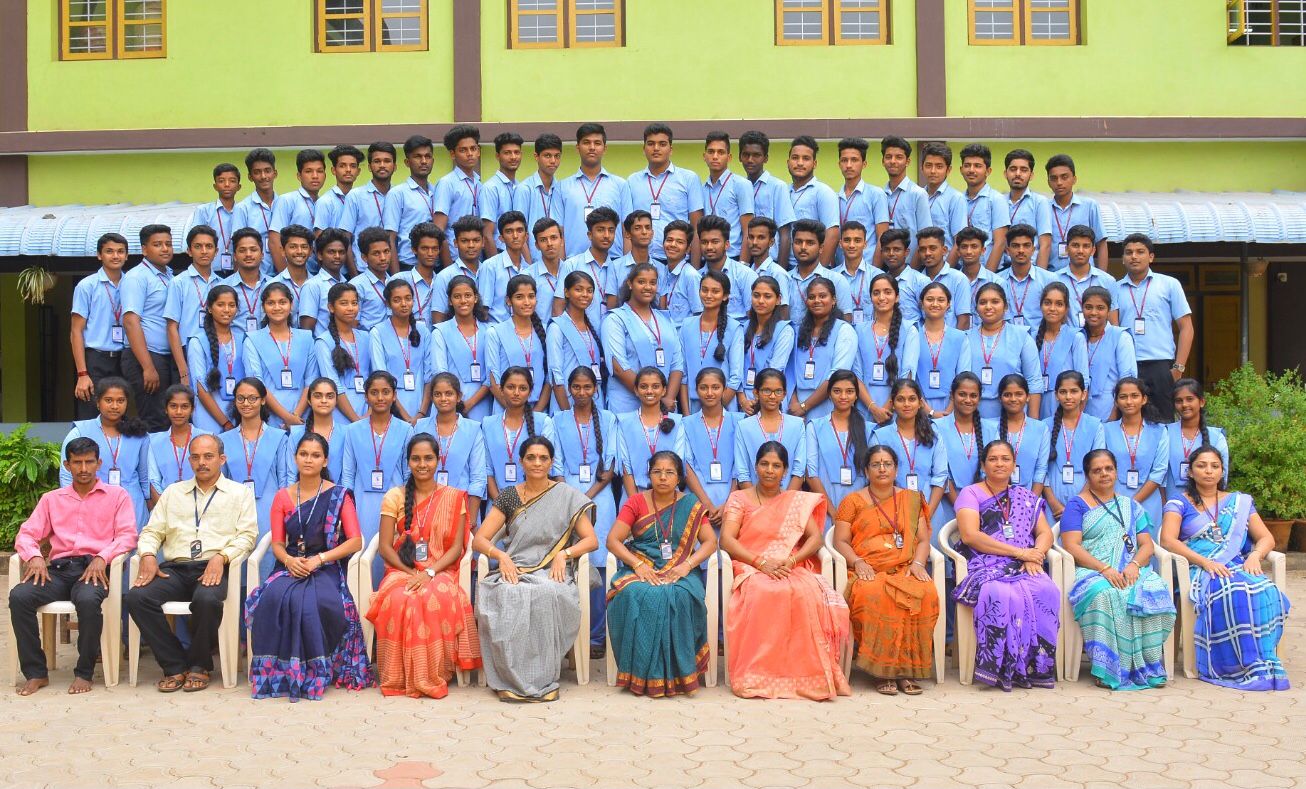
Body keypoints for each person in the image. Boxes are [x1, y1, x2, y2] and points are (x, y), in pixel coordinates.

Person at [245, 433, 374, 701]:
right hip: (289, 565)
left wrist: (320, 559)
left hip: (326, 566)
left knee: (314, 602)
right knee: (272, 598)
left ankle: (315, 671)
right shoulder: (283, 496)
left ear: (325, 460)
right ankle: (279, 674)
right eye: (303, 454)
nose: (308, 460)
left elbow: (355, 541)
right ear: (295, 458)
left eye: (315, 455)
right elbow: (277, 543)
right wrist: (289, 561)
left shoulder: (338, 495)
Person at [127, 434, 258, 692]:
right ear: (189, 461)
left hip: (213, 566)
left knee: (207, 600)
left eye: (208, 456)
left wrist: (222, 557)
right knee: (137, 598)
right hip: (175, 569)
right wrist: (148, 555)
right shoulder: (173, 492)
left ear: (222, 459)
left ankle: (199, 665)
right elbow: (152, 531)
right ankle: (174, 665)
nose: (202, 463)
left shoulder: (239, 493)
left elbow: (247, 535)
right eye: (196, 457)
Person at [721, 442, 851, 700]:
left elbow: (815, 538)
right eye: (764, 464)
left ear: (785, 470)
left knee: (804, 594)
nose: (770, 470)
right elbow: (727, 539)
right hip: (750, 564)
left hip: (788, 564)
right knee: (762, 591)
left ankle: (803, 676)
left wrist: (792, 561)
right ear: (755, 467)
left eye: (776, 466)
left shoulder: (794, 501)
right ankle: (758, 675)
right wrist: (760, 563)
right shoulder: (739, 499)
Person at [474, 436, 599, 702]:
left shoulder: (566, 495)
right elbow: (480, 539)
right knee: (507, 594)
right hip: (516, 566)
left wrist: (564, 554)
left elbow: (591, 540)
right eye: (531, 458)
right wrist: (501, 556)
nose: (537, 463)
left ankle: (539, 678)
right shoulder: (509, 496)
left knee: (546, 593)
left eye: (543, 458)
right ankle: (510, 677)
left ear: (551, 462)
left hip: (553, 570)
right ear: (521, 462)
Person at [11, 438, 138, 696]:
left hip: (95, 570)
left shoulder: (117, 496)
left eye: (89, 462)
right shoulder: (51, 499)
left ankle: (84, 672)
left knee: (88, 600)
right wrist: (34, 556)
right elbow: (26, 534)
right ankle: (36, 672)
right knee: (19, 596)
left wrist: (103, 556)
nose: (83, 468)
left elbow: (128, 536)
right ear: (67, 465)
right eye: (77, 462)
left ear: (98, 463)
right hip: (58, 571)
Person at [1159, 446, 1290, 691]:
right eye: (1201, 466)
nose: (1208, 471)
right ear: (1191, 472)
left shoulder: (1239, 502)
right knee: (1235, 592)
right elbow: (1167, 540)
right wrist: (1205, 562)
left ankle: (1260, 660)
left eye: (1214, 466)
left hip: (1237, 566)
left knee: (1266, 590)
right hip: (1200, 570)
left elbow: (1266, 538)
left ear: (1222, 471)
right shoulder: (1179, 502)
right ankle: (1234, 665)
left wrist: (1255, 555)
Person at [364, 433, 482, 698]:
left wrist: (429, 572)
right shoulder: (394, 496)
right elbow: (385, 547)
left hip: (440, 570)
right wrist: (412, 573)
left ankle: (431, 673)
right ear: (408, 462)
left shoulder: (454, 497)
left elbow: (455, 548)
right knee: (399, 598)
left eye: (428, 458)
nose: (422, 464)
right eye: (416, 459)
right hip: (401, 570)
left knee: (428, 597)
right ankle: (399, 676)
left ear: (438, 461)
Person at [1060, 449, 1175, 691]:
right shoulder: (1076, 505)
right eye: (1097, 470)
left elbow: (1146, 545)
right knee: (1106, 594)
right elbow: (1071, 545)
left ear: (1116, 472)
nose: (1104, 474)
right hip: (1092, 570)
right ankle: (1109, 669)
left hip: (1130, 569)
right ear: (1088, 475)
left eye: (1108, 469)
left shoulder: (1130, 505)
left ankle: (1149, 665)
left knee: (1154, 589)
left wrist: (1134, 565)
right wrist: (1104, 568)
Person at [606, 451, 717, 696]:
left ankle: (679, 675)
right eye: (657, 472)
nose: (663, 477)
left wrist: (688, 565)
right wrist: (637, 565)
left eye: (669, 472)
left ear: (679, 477)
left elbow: (710, 542)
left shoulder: (691, 505)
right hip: (641, 566)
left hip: (681, 569)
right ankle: (641, 674)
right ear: (649, 475)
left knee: (680, 596)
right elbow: (613, 540)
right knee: (634, 593)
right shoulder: (636, 502)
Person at [952, 440, 1060, 691]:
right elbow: (970, 536)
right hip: (985, 562)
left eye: (1005, 459)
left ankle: (1036, 667)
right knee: (998, 593)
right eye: (993, 459)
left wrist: (1036, 554)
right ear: (983, 465)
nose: (999, 464)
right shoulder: (971, 493)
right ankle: (1000, 668)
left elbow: (1045, 533)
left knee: (1047, 590)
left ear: (1013, 465)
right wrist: (1020, 553)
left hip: (1025, 563)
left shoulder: (1026, 496)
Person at [832, 444, 938, 694]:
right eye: (876, 464)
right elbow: (840, 541)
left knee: (926, 592)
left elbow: (923, 540)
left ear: (896, 469)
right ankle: (881, 672)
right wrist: (858, 561)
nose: (882, 469)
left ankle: (907, 670)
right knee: (874, 594)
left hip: (906, 567)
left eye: (887, 464)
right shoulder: (852, 501)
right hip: (869, 569)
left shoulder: (911, 500)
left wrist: (918, 563)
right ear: (866, 471)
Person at [553, 367, 619, 654]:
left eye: (587, 387)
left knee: (600, 562)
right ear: (569, 389)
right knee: (567, 562)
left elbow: (611, 466)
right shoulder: (558, 420)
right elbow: (555, 463)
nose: (581, 392)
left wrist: (585, 498)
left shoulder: (608, 419)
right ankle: (569, 637)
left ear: (596, 389)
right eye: (576, 387)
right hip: (566, 495)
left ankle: (596, 636)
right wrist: (569, 497)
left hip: (599, 497)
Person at [341, 371, 414, 576]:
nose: (380, 397)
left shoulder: (406, 430)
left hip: (396, 504)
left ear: (394, 395)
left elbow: (408, 473)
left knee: (392, 554)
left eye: (386, 392)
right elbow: (348, 474)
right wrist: (347, 510)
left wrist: (407, 507)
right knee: (362, 557)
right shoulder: (352, 430)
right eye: (374, 392)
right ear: (366, 396)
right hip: (361, 505)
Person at [1116, 234, 1193, 421]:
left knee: (1163, 422)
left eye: (1140, 252)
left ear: (1151, 257)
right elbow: (1113, 330)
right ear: (1123, 259)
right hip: (1127, 365)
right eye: (1129, 252)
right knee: (1129, 422)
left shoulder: (1169, 284)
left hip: (1161, 366)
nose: (1134, 256)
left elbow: (1186, 327)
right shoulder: (1115, 289)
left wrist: (1178, 369)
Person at [219, 378, 290, 575]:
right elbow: (221, 481)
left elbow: (285, 479)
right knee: (238, 568)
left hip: (271, 509)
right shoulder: (223, 440)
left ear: (263, 400)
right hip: (234, 511)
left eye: (252, 398)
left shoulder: (279, 437)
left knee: (268, 562)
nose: (246, 403)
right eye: (240, 398)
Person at [60, 377, 151, 528]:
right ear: (98, 403)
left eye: (120, 401)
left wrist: (150, 508)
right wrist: (73, 504)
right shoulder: (80, 431)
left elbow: (145, 477)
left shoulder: (139, 435)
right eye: (108, 400)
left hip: (132, 506)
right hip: (92, 504)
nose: (114, 406)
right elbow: (66, 474)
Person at [604, 264, 684, 414]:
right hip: (627, 404)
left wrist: (667, 398)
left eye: (652, 283)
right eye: (641, 282)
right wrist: (654, 398)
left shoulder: (666, 319)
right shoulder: (615, 319)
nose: (648, 287)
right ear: (630, 284)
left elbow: (677, 365)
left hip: (664, 405)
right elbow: (619, 368)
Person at [413, 373, 489, 532]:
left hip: (462, 509)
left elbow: (478, 478)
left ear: (458, 396)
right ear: (431, 397)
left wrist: (471, 520)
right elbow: (412, 470)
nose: (443, 398)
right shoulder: (420, 427)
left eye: (449, 393)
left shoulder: (473, 429)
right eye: (437, 394)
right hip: (425, 508)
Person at [121, 224, 178, 432]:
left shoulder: (170, 275)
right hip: (146, 357)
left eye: (168, 244)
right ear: (144, 249)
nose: (165, 249)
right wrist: (147, 367)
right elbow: (130, 321)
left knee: (170, 419)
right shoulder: (137, 277)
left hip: (167, 356)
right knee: (155, 421)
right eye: (158, 244)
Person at [71, 233, 130, 419]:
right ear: (99, 255)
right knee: (91, 413)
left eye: (120, 251)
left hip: (125, 358)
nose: (115, 256)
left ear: (127, 255)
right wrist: (82, 373)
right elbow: (76, 331)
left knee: (120, 415)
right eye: (109, 251)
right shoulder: (86, 286)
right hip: (96, 359)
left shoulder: (132, 283)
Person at [1102, 377, 1170, 535]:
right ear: (1116, 401)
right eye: (1123, 397)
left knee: (1149, 545)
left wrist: (1134, 502)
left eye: (1134, 396)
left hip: (1148, 501)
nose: (1129, 401)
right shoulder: (1105, 430)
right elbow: (1100, 466)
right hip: (1113, 501)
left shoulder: (1160, 431)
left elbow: (1159, 471)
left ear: (1144, 399)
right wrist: (1119, 503)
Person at [483, 367, 561, 500]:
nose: (516, 393)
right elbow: (487, 469)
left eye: (523, 388)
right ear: (501, 390)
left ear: (530, 392)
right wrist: (500, 504)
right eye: (511, 387)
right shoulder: (488, 424)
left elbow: (548, 466)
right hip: (497, 502)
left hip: (534, 501)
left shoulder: (543, 422)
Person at [244, 282, 315, 428]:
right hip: (268, 418)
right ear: (263, 307)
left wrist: (295, 417)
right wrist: (287, 417)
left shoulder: (306, 338)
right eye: (271, 303)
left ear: (291, 305)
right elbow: (257, 384)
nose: (277, 307)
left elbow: (311, 381)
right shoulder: (252, 340)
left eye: (282, 302)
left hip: (302, 418)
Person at [629, 123, 703, 261]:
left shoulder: (689, 179)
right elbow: (628, 228)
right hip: (643, 260)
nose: (656, 148)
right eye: (651, 144)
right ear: (644, 149)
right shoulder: (632, 181)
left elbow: (697, 228)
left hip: (678, 260)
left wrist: (695, 267)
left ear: (671, 149)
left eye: (662, 144)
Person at [967, 282, 1042, 419]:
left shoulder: (1022, 337)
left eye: (995, 302)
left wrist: (1033, 422)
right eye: (983, 302)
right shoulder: (966, 337)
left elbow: (1034, 381)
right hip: (972, 414)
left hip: (1013, 414)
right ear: (976, 308)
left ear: (1005, 306)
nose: (988, 306)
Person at [871, 380, 947, 515]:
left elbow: (940, 476)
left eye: (912, 399)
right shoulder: (880, 436)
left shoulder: (933, 435)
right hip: (892, 511)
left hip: (930, 509)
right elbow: (876, 477)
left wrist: (928, 514)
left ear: (920, 403)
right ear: (892, 404)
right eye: (900, 399)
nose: (906, 404)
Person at [806, 370, 873, 524]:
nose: (843, 396)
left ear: (856, 395)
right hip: (826, 505)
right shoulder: (814, 427)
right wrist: (833, 512)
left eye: (849, 391)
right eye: (837, 391)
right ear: (829, 394)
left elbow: (872, 474)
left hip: (861, 507)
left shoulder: (869, 429)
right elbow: (811, 473)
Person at [559, 123, 632, 259]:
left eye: (597, 143)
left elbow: (627, 230)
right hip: (574, 262)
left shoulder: (620, 185)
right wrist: (561, 266)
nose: (592, 147)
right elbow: (559, 232)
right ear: (578, 148)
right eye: (586, 142)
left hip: (613, 261)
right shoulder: (562, 187)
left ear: (605, 148)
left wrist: (626, 265)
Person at [789, 277, 856, 420]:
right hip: (795, 410)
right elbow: (789, 371)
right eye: (812, 297)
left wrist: (805, 406)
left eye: (822, 296)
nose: (817, 300)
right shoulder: (797, 331)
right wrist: (793, 403)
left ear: (834, 300)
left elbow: (837, 376)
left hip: (828, 407)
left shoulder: (844, 330)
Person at [855, 273, 919, 424]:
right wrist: (873, 408)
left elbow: (907, 375)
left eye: (887, 292)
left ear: (897, 297)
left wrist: (887, 409)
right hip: (864, 408)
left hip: (897, 410)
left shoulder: (909, 330)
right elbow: (856, 374)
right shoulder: (859, 330)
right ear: (871, 297)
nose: (881, 297)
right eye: (876, 293)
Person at [1041, 371, 1105, 520]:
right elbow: (1040, 469)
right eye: (1063, 392)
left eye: (1074, 391)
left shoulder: (1095, 426)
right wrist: (1053, 503)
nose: (1068, 396)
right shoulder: (1044, 426)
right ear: (1056, 395)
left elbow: (1097, 466)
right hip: (1052, 503)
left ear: (1083, 394)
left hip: (1086, 500)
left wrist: (1078, 503)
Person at [616, 367, 689, 496]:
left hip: (669, 496)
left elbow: (678, 463)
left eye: (655, 386)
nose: (649, 391)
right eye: (644, 386)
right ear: (636, 390)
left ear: (664, 390)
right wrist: (637, 503)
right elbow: (625, 467)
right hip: (634, 494)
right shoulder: (624, 422)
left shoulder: (677, 422)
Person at [370, 279, 434, 423]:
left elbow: (429, 376)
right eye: (397, 300)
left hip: (422, 407)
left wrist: (421, 413)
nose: (404, 304)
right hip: (392, 409)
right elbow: (382, 378)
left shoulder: (423, 331)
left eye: (408, 298)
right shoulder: (377, 332)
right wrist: (405, 417)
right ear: (388, 304)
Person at [684, 367, 742, 523]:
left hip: (732, 496)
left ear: (724, 389)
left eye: (715, 387)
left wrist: (729, 503)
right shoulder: (685, 424)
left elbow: (741, 466)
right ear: (696, 390)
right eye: (704, 388)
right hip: (697, 496)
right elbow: (686, 466)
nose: (709, 393)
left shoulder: (740, 422)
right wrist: (707, 504)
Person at [164, 226, 220, 385]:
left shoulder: (221, 284)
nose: (204, 251)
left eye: (209, 246)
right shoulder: (178, 283)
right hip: (186, 352)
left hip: (215, 350)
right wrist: (183, 371)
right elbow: (171, 327)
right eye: (198, 246)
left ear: (216, 251)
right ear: (189, 251)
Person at [487, 275, 551, 413]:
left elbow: (549, 377)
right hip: (505, 411)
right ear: (508, 301)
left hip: (538, 411)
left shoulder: (546, 330)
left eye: (531, 296)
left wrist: (537, 412)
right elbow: (493, 381)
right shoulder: (495, 332)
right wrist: (516, 413)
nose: (527, 302)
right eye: (519, 297)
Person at [733, 368, 806, 490]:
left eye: (778, 391)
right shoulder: (744, 426)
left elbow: (799, 470)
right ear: (756, 393)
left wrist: (785, 499)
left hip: (788, 497)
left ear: (784, 394)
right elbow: (742, 472)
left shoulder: (797, 425)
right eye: (767, 391)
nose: (772, 396)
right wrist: (756, 499)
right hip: (753, 498)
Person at [434, 275, 494, 420]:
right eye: (457, 296)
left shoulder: (490, 330)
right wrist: (456, 402)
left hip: (483, 402)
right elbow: (440, 373)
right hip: (450, 403)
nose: (463, 301)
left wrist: (470, 403)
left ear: (476, 298)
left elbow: (492, 375)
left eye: (468, 295)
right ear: (450, 301)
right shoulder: (440, 332)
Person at [186, 285, 244, 434]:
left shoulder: (243, 339)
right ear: (210, 308)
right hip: (209, 415)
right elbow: (201, 389)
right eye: (220, 305)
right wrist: (225, 423)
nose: (226, 310)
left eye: (232, 305)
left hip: (240, 413)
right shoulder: (198, 341)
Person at [934, 373, 985, 539]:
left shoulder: (991, 429)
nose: (968, 400)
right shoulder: (936, 427)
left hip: (982, 505)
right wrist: (960, 506)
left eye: (973, 395)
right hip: (947, 503)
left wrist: (976, 507)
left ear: (979, 398)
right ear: (952, 395)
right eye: (962, 394)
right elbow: (940, 472)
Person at [312, 283, 373, 421]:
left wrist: (370, 412)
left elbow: (374, 377)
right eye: (344, 303)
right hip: (340, 415)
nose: (350, 308)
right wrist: (356, 420)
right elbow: (333, 385)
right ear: (331, 307)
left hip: (368, 411)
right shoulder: (323, 341)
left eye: (354, 303)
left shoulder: (366, 337)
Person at [548, 270, 608, 411]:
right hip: (567, 402)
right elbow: (556, 376)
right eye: (579, 290)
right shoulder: (557, 327)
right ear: (566, 292)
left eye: (589, 291)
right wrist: (566, 414)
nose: (585, 294)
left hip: (593, 401)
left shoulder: (592, 327)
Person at [738, 130, 796, 266]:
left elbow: (785, 233)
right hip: (743, 260)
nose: (750, 160)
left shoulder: (777, 187)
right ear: (740, 157)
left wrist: (780, 269)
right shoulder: (738, 186)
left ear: (766, 158)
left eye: (756, 155)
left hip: (770, 261)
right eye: (746, 155)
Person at [1034, 283, 1090, 420]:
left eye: (1059, 304)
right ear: (1041, 306)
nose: (1052, 308)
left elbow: (1084, 381)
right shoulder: (1031, 336)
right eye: (1047, 303)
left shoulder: (1075, 337)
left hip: (1066, 406)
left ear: (1066, 309)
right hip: (1037, 405)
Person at [915, 282, 971, 418]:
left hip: (952, 409)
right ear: (921, 303)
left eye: (941, 300)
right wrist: (928, 411)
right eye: (929, 299)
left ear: (948, 304)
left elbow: (963, 377)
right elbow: (909, 377)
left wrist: (949, 411)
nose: (935, 304)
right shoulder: (913, 335)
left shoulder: (960, 338)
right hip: (917, 407)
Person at [739, 277, 794, 412]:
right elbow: (735, 367)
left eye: (767, 296)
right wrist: (742, 399)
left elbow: (776, 369)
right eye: (756, 295)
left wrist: (758, 400)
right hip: (742, 400)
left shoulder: (784, 330)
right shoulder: (743, 327)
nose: (761, 301)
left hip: (769, 398)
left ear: (778, 299)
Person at [1081, 286, 1137, 421]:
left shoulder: (1121, 337)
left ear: (1108, 311)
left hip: (1110, 410)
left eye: (1100, 308)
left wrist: (1115, 414)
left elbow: (1127, 380)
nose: (1093, 312)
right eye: (1088, 307)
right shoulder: (1078, 337)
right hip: (1081, 411)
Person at [1045, 154, 1108, 271]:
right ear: (1048, 182)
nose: (1059, 182)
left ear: (1074, 179)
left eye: (1064, 177)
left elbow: (1101, 243)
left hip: (1085, 276)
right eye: (1054, 178)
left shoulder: (1089, 206)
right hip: (1053, 275)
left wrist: (1102, 277)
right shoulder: (1043, 208)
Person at [383, 135, 438, 269]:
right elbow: (390, 238)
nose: (423, 161)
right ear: (407, 162)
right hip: (408, 264)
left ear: (433, 160)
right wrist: (396, 275)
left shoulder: (437, 192)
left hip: (436, 264)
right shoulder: (397, 194)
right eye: (418, 157)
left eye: (427, 156)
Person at [432, 126, 484, 266]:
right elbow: (439, 230)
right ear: (452, 154)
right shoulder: (447, 183)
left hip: (476, 258)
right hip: (454, 258)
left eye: (473, 149)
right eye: (463, 150)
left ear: (478, 151)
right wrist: (449, 266)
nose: (470, 154)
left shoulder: (479, 184)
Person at [267, 149, 326, 273]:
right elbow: (274, 241)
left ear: (325, 175)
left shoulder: (325, 203)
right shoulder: (287, 200)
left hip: (319, 273)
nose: (315, 176)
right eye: (308, 171)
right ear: (299, 176)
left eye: (319, 171)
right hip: (293, 274)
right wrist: (286, 277)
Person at [514, 133, 570, 263]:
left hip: (557, 263)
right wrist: (529, 266)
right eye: (547, 156)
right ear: (536, 156)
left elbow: (561, 230)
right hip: (533, 262)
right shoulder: (524, 189)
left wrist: (560, 265)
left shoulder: (561, 189)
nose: (553, 161)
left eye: (557, 156)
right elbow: (520, 232)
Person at [834, 137, 889, 267]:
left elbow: (882, 237)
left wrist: (874, 271)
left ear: (864, 164)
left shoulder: (876, 194)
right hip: (840, 268)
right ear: (839, 164)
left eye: (854, 160)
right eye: (844, 160)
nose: (848, 165)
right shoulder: (834, 198)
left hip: (868, 267)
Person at [786, 219, 852, 327]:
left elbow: (846, 323)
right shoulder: (785, 279)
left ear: (821, 248)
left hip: (825, 337)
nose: (803, 247)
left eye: (810, 243)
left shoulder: (837, 280)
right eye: (798, 242)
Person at [992, 374, 1051, 494]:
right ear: (1000, 398)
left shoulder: (1041, 429)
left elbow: (1041, 469)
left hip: (1029, 495)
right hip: (995, 496)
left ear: (1028, 397)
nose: (1013, 399)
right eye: (1007, 395)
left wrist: (1032, 501)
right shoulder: (989, 427)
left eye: (1019, 394)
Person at [147, 386, 209, 499]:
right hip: (166, 502)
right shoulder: (154, 441)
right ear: (166, 409)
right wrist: (166, 506)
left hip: (201, 502)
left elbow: (212, 476)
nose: (179, 412)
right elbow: (153, 480)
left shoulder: (207, 438)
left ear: (192, 409)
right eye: (173, 406)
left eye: (184, 406)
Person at [786, 137, 840, 267]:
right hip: (785, 265)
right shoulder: (784, 191)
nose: (800, 163)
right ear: (788, 162)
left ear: (814, 164)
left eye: (806, 158)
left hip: (812, 266)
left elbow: (832, 235)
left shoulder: (823, 192)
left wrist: (818, 272)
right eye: (795, 158)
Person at [1167, 378, 1229, 488]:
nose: (1184, 404)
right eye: (1179, 401)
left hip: (1205, 497)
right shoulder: (1165, 432)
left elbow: (1222, 477)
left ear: (1201, 402)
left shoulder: (1216, 436)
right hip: (1169, 497)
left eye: (1189, 399)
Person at [342, 141, 396, 268]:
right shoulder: (355, 196)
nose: (382, 165)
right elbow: (345, 239)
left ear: (395, 166)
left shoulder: (399, 195)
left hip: (392, 267)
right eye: (377, 161)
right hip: (363, 268)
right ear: (369, 166)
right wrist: (354, 274)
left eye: (387, 161)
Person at [881, 136, 933, 267]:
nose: (893, 161)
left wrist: (911, 272)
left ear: (907, 161)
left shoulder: (918, 194)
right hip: (884, 266)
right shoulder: (880, 195)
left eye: (899, 157)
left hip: (911, 266)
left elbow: (924, 238)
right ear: (883, 161)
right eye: (888, 157)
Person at [1055, 225, 1118, 328]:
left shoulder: (1107, 281)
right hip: (1066, 336)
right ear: (1066, 249)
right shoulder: (1054, 279)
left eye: (1086, 246)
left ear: (1093, 250)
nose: (1080, 251)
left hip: (1098, 337)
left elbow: (1113, 323)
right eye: (1075, 245)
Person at [287, 377, 348, 483]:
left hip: (337, 492)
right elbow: (291, 476)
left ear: (336, 401)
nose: (324, 400)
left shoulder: (347, 433)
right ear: (309, 400)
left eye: (329, 396)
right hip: (302, 492)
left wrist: (340, 494)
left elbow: (347, 476)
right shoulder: (296, 433)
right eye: (318, 396)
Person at [958, 144, 1009, 272]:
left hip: (989, 271)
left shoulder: (996, 199)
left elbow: (1000, 242)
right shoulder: (958, 199)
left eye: (977, 166)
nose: (971, 170)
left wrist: (987, 277)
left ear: (988, 171)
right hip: (961, 271)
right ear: (961, 169)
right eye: (967, 165)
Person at [1002, 149, 1053, 269]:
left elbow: (1045, 244)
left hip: (1030, 268)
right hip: (1002, 268)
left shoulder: (1039, 202)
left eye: (1024, 170)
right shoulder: (998, 201)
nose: (1018, 174)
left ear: (1031, 175)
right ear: (1005, 173)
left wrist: (1039, 275)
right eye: (1013, 169)